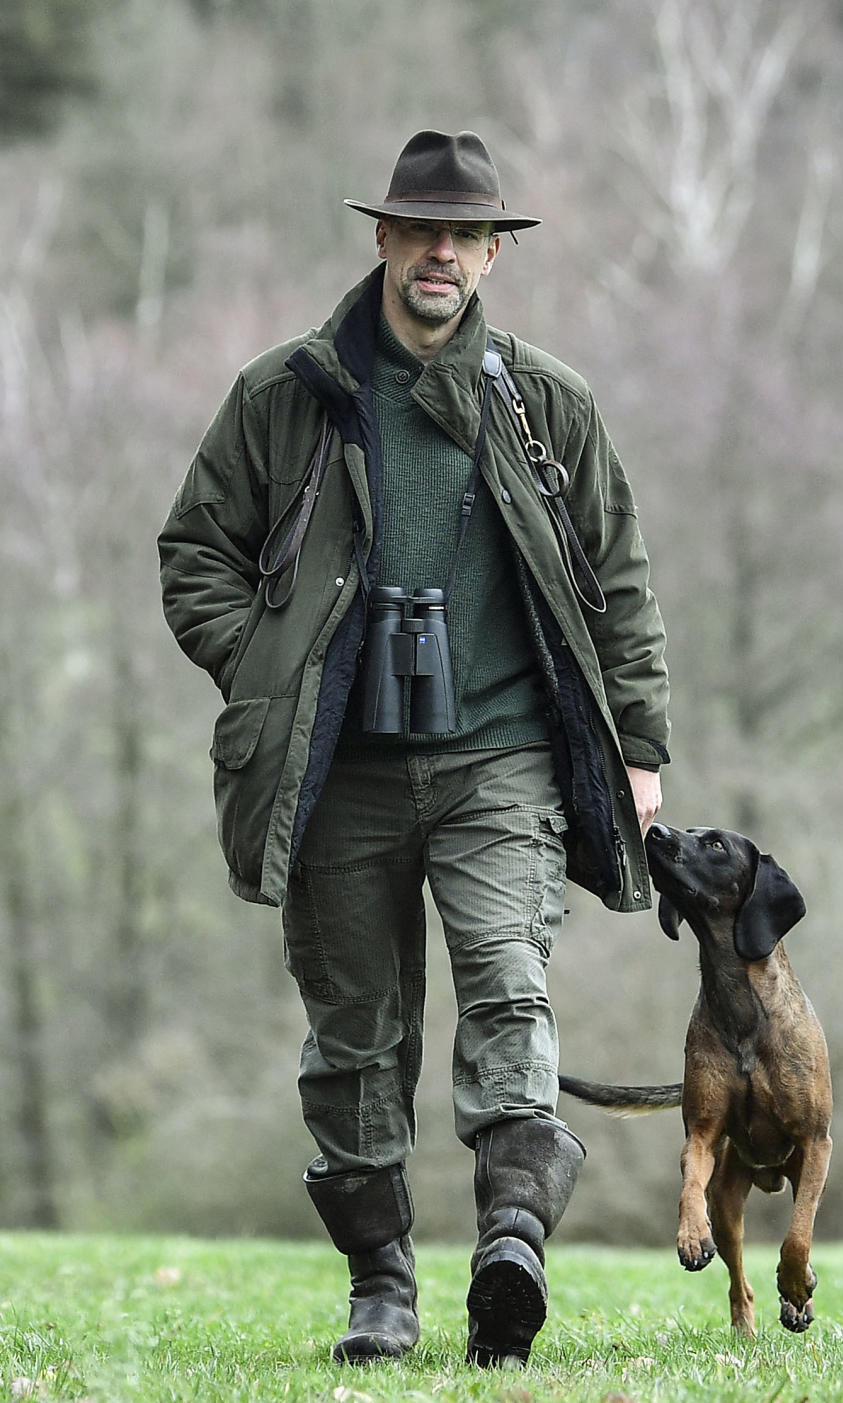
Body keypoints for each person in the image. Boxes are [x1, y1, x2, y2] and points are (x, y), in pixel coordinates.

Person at [158, 129, 670, 1368]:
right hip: (339, 772)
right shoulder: (289, 393)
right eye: (420, 228)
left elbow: (620, 584)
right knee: (355, 1032)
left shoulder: (547, 402)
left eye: (467, 234)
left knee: (510, 981)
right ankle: (380, 1285)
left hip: (503, 758)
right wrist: (271, 667)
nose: (442, 252)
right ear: (382, 237)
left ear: (494, 253)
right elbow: (194, 554)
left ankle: (511, 1245)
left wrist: (643, 749)